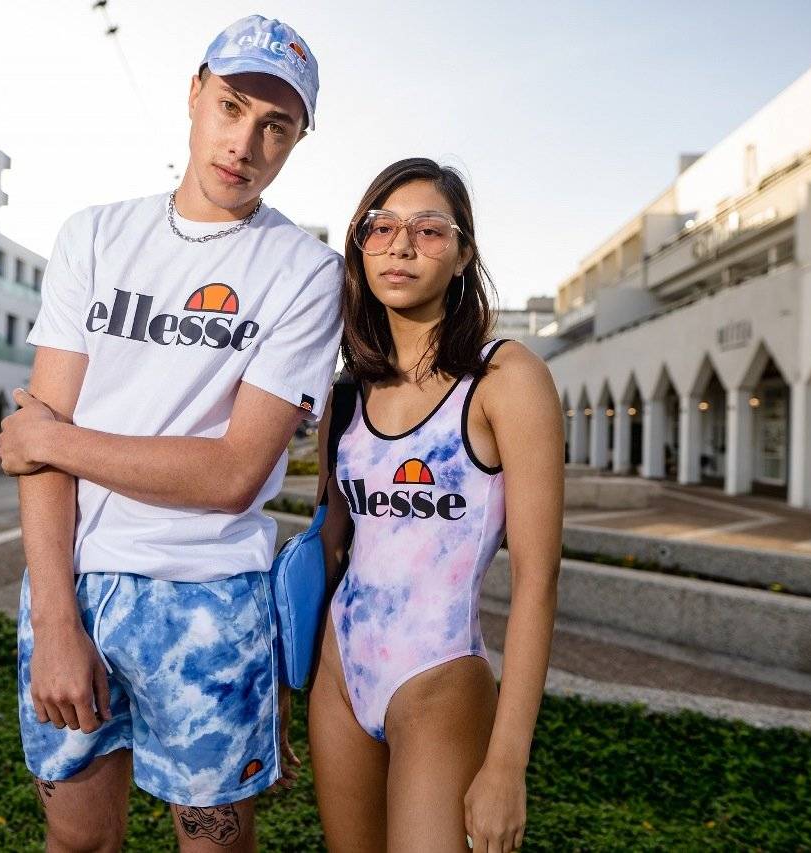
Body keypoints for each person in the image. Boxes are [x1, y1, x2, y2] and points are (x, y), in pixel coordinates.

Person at [0, 16, 342, 852]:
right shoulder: (94, 235)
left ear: (299, 139)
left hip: (210, 600)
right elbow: (39, 459)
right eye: (231, 107)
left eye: (276, 126)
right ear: (194, 94)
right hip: (74, 585)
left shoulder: (305, 271)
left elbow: (232, 473)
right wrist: (57, 620)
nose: (244, 144)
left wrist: (52, 439)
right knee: (78, 842)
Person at [308, 158, 563, 853]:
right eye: (381, 227)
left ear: (463, 254)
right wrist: (284, 692)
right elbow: (329, 549)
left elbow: (538, 579)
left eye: (428, 230)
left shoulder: (505, 378)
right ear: (361, 246)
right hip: (338, 674)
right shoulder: (346, 393)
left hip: (439, 676)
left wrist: (506, 765)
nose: (401, 245)